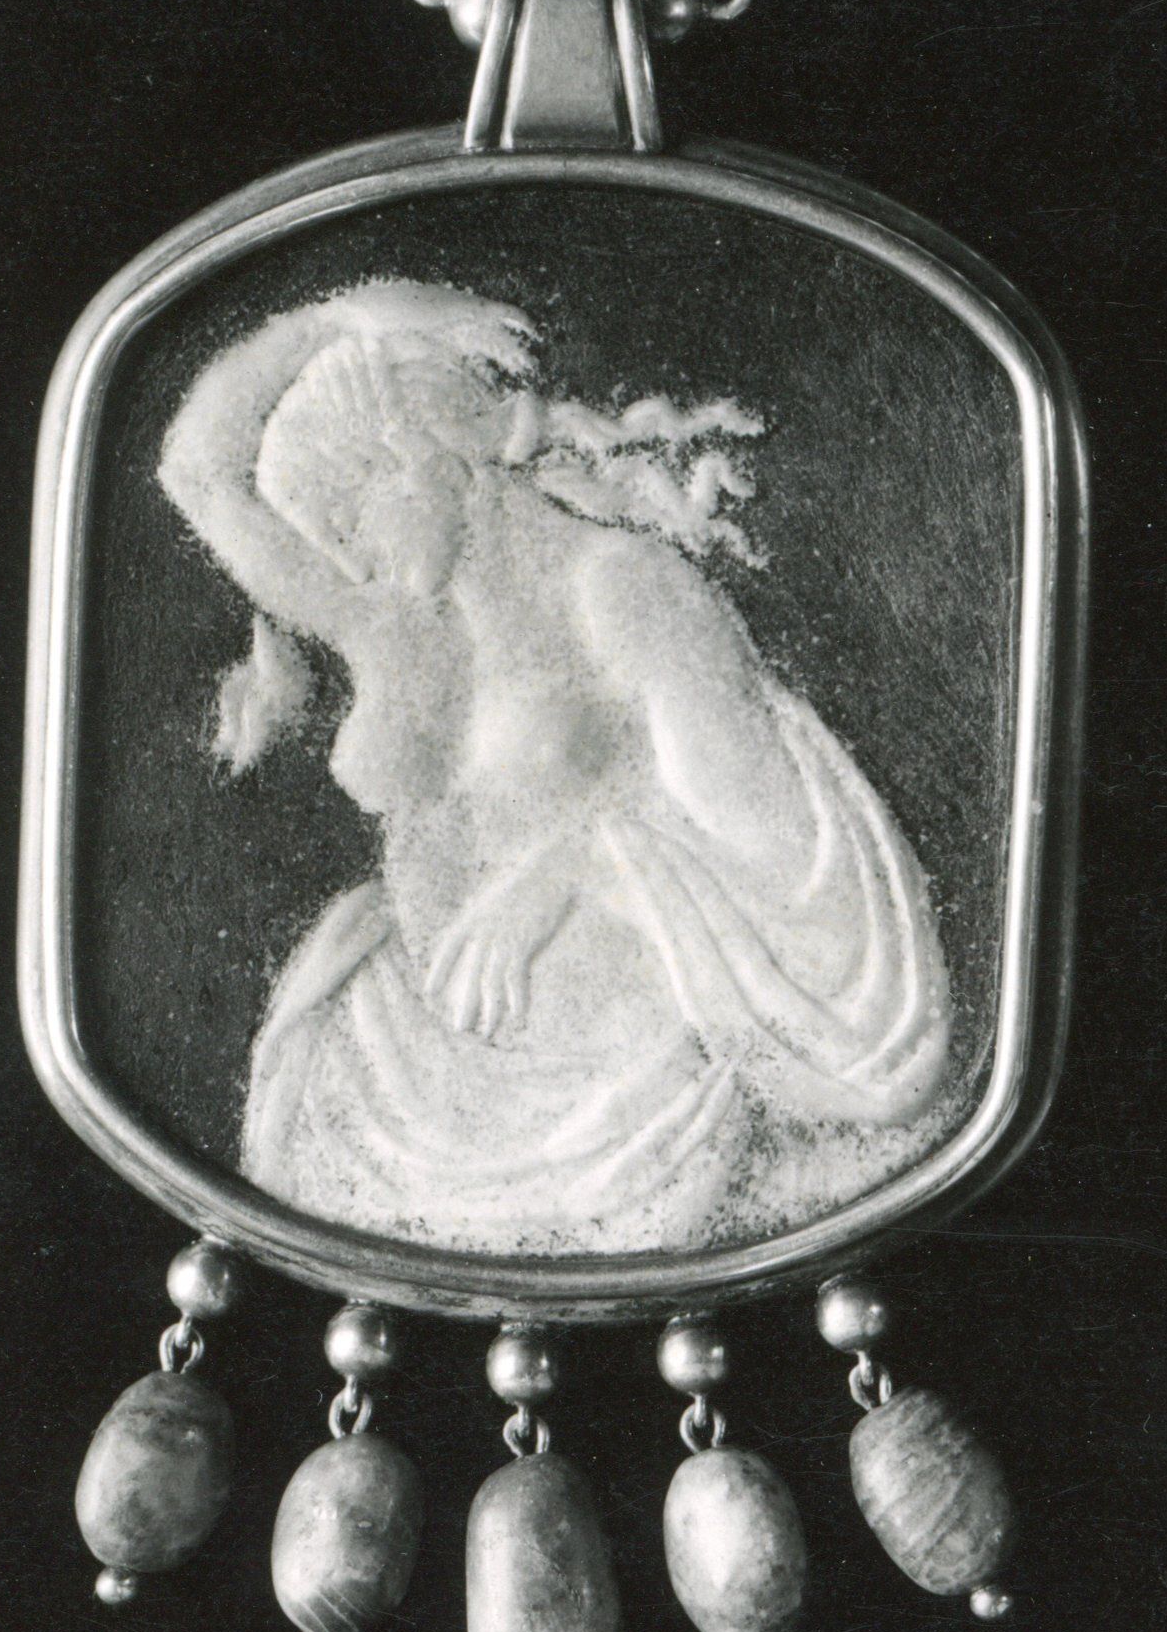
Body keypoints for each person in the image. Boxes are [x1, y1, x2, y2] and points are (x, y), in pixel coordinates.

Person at [157, 278, 955, 1255]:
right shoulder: (391, 624)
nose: (348, 560)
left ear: (429, 463)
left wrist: (567, 869)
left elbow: (778, 853)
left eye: (352, 519)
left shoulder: (625, 590)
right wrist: (339, 316)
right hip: (387, 1074)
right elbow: (196, 475)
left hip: (622, 1109)